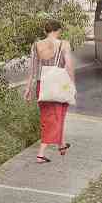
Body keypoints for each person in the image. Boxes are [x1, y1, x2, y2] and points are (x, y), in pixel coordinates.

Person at [27, 19, 74, 163]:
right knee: (56, 117)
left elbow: (33, 70)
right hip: (58, 85)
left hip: (42, 85)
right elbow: (69, 67)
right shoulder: (64, 44)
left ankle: (61, 145)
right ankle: (41, 153)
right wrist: (72, 84)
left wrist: (29, 88)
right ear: (58, 30)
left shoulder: (36, 45)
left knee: (48, 117)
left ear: (45, 31)